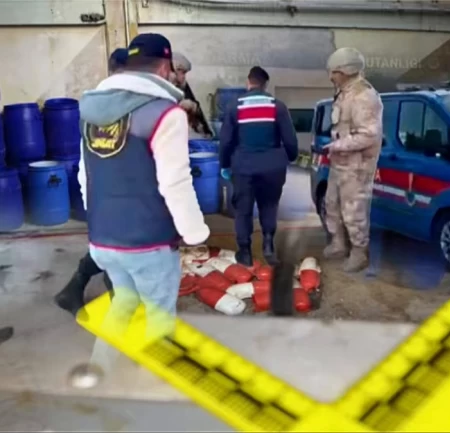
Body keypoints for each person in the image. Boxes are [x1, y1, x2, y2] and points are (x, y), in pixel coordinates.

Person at [78, 33, 209, 368]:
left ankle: (99, 367)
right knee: (159, 316)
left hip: (103, 239)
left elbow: (84, 177)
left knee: (123, 302)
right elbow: (175, 182)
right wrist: (195, 232)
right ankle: (156, 382)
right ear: (164, 68)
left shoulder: (90, 112)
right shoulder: (165, 114)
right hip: (148, 242)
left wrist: (101, 221)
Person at [53, 47, 130, 316]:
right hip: (110, 192)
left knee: (109, 248)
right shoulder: (115, 105)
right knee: (117, 252)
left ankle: (72, 291)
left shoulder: (98, 102)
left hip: (104, 191)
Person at [219, 66, 298, 266]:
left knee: (243, 210)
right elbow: (290, 140)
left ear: (249, 82)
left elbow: (226, 141)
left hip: (243, 167)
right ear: (265, 85)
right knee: (269, 205)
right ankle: (268, 246)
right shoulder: (278, 106)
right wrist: (290, 157)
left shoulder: (235, 107)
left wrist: (225, 165)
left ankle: (245, 253)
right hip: (273, 168)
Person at [322, 47, 383, 272]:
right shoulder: (344, 93)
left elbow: (369, 135)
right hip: (340, 162)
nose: (331, 77)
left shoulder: (364, 96)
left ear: (346, 71)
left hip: (357, 167)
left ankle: (359, 253)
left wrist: (338, 145)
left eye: (334, 72)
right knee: (332, 204)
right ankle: (338, 243)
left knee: (354, 211)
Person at [171, 52, 213, 137]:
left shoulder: (182, 86)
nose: (184, 77)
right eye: (183, 72)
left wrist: (194, 107)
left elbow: (197, 112)